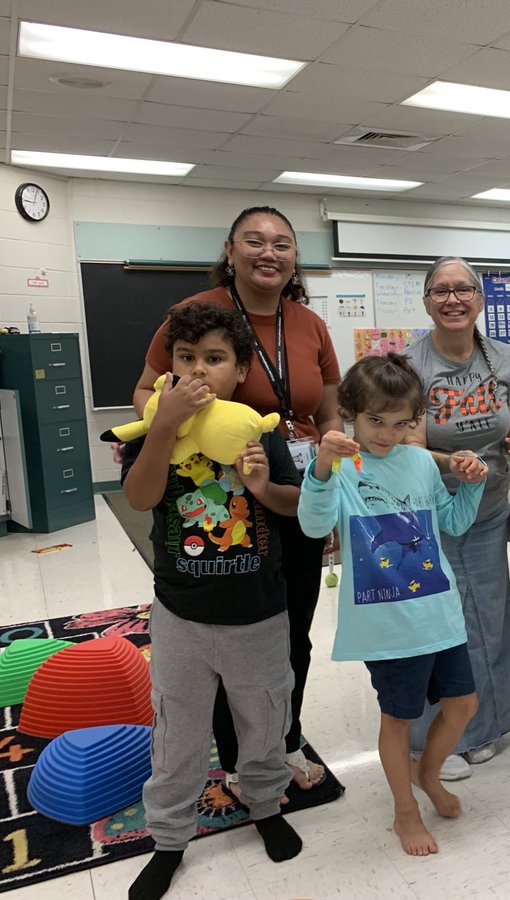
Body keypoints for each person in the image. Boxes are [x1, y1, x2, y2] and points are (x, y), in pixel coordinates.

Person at [134, 206, 340, 794]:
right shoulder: (197, 316)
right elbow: (147, 392)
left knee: (292, 626)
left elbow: (325, 409)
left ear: (295, 257)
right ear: (230, 250)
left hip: (289, 489)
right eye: (254, 241)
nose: (268, 253)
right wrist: (181, 425)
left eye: (281, 243)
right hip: (221, 501)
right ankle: (232, 758)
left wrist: (326, 475)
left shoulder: (308, 323)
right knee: (225, 630)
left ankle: (286, 738)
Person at [123, 303, 303, 900]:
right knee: (177, 729)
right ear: (169, 367)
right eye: (186, 359)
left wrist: (259, 484)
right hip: (181, 613)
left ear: (239, 369)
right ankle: (169, 838)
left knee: (263, 719)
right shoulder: (155, 425)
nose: (199, 372)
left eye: (215, 360)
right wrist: (167, 427)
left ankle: (264, 804)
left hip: (257, 610)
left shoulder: (258, 428)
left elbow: (291, 505)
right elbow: (142, 495)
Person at [297, 353, 487, 856]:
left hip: (437, 611)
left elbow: (451, 523)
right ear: (350, 414)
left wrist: (473, 483)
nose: (385, 434)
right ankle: (404, 811)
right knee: (397, 721)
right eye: (375, 421)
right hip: (386, 623)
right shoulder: (339, 466)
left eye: (400, 423)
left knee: (464, 703)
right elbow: (314, 528)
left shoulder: (421, 461)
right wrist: (320, 466)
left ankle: (428, 773)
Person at [403, 256, 510, 779]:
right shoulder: (411, 364)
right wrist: (454, 462)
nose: (453, 299)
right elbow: (410, 446)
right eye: (440, 290)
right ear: (427, 301)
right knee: (441, 621)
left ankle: (490, 724)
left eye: (463, 289)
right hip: (430, 513)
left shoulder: (503, 358)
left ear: (480, 299)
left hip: (487, 510)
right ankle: (435, 740)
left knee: (489, 614)